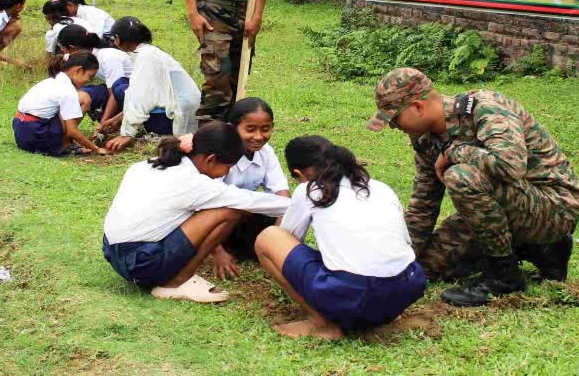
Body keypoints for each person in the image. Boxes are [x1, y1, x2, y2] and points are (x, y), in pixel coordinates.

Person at [367, 68, 579, 307]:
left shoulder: (486, 108)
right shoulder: (425, 138)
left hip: (554, 207)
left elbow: (510, 166)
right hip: (506, 208)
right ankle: (542, 250)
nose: (394, 127)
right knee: (427, 266)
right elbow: (423, 204)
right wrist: (403, 261)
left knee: (461, 176)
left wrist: (453, 152)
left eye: (395, 118)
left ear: (418, 107)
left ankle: (504, 274)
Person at [253, 135, 426, 339]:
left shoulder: (309, 190)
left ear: (299, 174)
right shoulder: (380, 187)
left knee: (269, 237)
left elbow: (289, 238)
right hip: (407, 287)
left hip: (353, 293)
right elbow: (405, 242)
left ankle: (322, 323)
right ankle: (386, 314)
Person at [102, 122, 289, 302]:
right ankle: (177, 282)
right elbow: (251, 201)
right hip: (141, 264)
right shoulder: (195, 183)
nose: (225, 173)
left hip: (114, 253)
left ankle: (172, 274)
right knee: (230, 211)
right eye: (227, 167)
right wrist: (302, 204)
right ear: (210, 159)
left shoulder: (146, 165)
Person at [194, 98, 290, 279]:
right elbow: (202, 205)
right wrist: (217, 252)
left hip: (241, 217)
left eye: (265, 129)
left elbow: (281, 193)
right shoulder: (220, 153)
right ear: (232, 128)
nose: (259, 136)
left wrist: (280, 239)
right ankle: (215, 247)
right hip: (212, 219)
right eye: (250, 129)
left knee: (277, 215)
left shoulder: (265, 152)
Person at [103, 16, 200, 152]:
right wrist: (119, 118)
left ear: (118, 39)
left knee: (122, 90)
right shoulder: (149, 51)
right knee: (122, 86)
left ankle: (159, 134)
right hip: (184, 109)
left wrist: (127, 134)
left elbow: (140, 96)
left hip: (176, 117)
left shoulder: (145, 57)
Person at [13, 50, 105, 156]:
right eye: (90, 76)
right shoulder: (68, 90)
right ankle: (64, 145)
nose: (89, 81)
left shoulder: (50, 81)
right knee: (84, 99)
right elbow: (72, 130)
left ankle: (64, 143)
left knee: (80, 99)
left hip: (21, 134)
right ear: (79, 70)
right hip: (36, 137)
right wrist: (96, 149)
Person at [56, 24, 132, 127]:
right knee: (81, 93)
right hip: (119, 92)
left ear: (72, 48)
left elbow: (114, 93)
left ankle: (70, 131)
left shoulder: (108, 58)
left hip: (129, 94)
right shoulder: (88, 56)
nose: (64, 53)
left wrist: (103, 122)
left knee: (84, 95)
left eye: (63, 49)